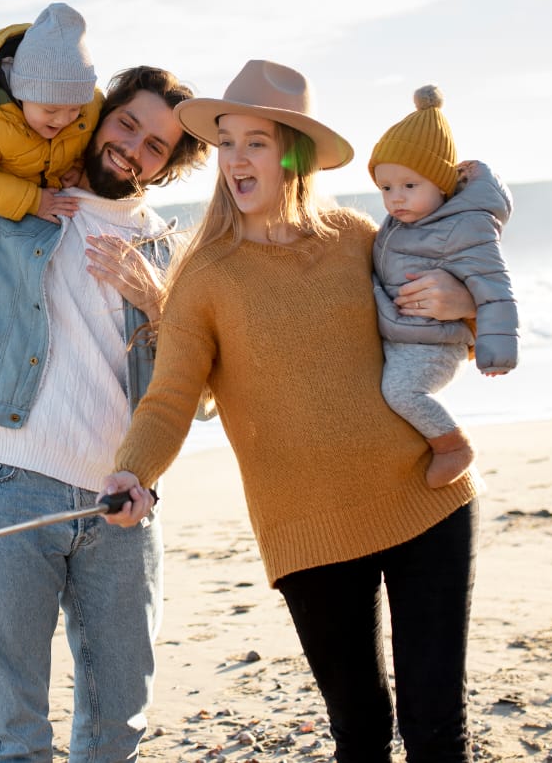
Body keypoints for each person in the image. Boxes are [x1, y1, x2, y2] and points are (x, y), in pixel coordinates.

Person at [102, 60, 481, 762]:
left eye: (256, 141)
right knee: (361, 731)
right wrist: (134, 472)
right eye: (226, 142)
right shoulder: (204, 275)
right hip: (306, 529)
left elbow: (452, 299)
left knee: (437, 729)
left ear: (293, 154)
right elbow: (172, 396)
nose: (236, 159)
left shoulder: (357, 237)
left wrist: (467, 306)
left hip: (425, 498)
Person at [0, 47, 209, 762]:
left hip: (122, 503)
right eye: (125, 123)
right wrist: (4, 86)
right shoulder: (3, 203)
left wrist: (157, 299)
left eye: (155, 145)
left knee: (117, 729)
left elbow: (200, 398)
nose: (132, 147)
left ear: (167, 165)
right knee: (16, 735)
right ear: (97, 114)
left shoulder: (172, 253)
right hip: (4, 485)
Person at [369, 84, 520, 488]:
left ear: (441, 184)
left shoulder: (466, 227)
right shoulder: (403, 222)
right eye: (386, 188)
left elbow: (494, 288)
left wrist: (496, 353)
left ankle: (454, 446)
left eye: (409, 186)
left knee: (400, 393)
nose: (395, 198)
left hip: (434, 344)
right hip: (404, 336)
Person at [0, 2, 103, 223]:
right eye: (50, 109)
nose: (63, 120)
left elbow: (88, 144)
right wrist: (34, 201)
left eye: (74, 109)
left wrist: (77, 168)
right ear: (20, 94)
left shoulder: (92, 108)